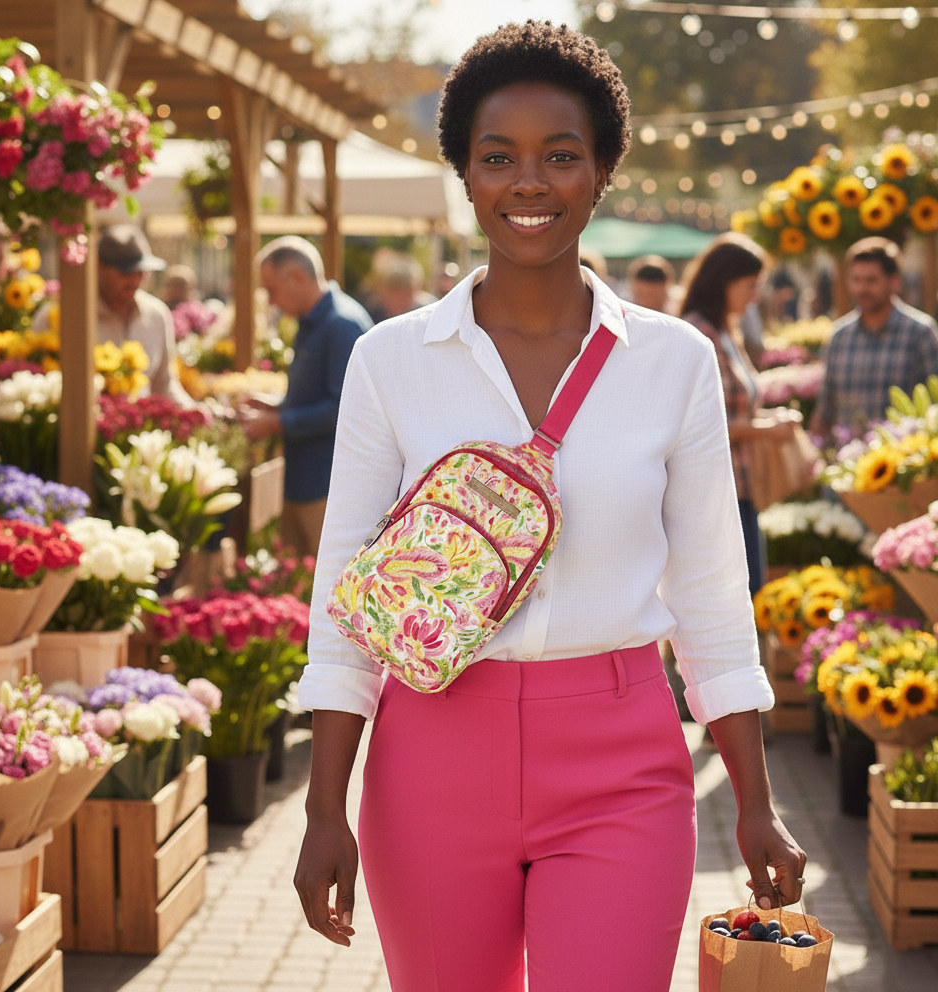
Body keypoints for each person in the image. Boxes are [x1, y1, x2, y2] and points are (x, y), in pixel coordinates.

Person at [293, 22, 805, 992]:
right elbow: (343, 592)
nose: (528, 182)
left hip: (621, 757)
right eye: (498, 157)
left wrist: (754, 800)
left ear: (602, 170)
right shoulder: (389, 359)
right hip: (430, 753)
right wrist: (326, 806)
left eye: (559, 155)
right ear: (464, 172)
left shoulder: (673, 362)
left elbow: (706, 587)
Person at [679, 233, 798, 598]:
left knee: (749, 595)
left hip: (742, 486)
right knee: (729, 598)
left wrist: (768, 420)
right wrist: (765, 430)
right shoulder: (699, 333)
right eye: (750, 285)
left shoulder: (727, 330)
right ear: (723, 282)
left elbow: (736, 404)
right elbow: (694, 426)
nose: (755, 295)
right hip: (713, 492)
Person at [240, 236, 371, 558]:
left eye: (272, 290)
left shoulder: (341, 324)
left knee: (328, 583)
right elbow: (322, 393)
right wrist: (277, 406)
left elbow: (345, 409)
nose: (271, 301)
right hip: (306, 479)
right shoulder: (313, 320)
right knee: (297, 583)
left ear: (298, 277)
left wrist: (278, 423)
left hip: (329, 486)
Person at [33, 225, 194, 406]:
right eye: (125, 272)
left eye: (141, 272)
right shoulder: (61, 316)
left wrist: (195, 411)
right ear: (100, 266)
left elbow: (164, 385)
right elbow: (40, 386)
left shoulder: (157, 315)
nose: (134, 280)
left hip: (140, 428)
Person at [811, 237, 938, 439]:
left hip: (903, 461)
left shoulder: (919, 333)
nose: (862, 289)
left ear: (894, 281)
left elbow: (935, 402)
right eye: (856, 280)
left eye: (871, 280)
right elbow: (826, 409)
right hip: (848, 462)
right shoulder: (840, 337)